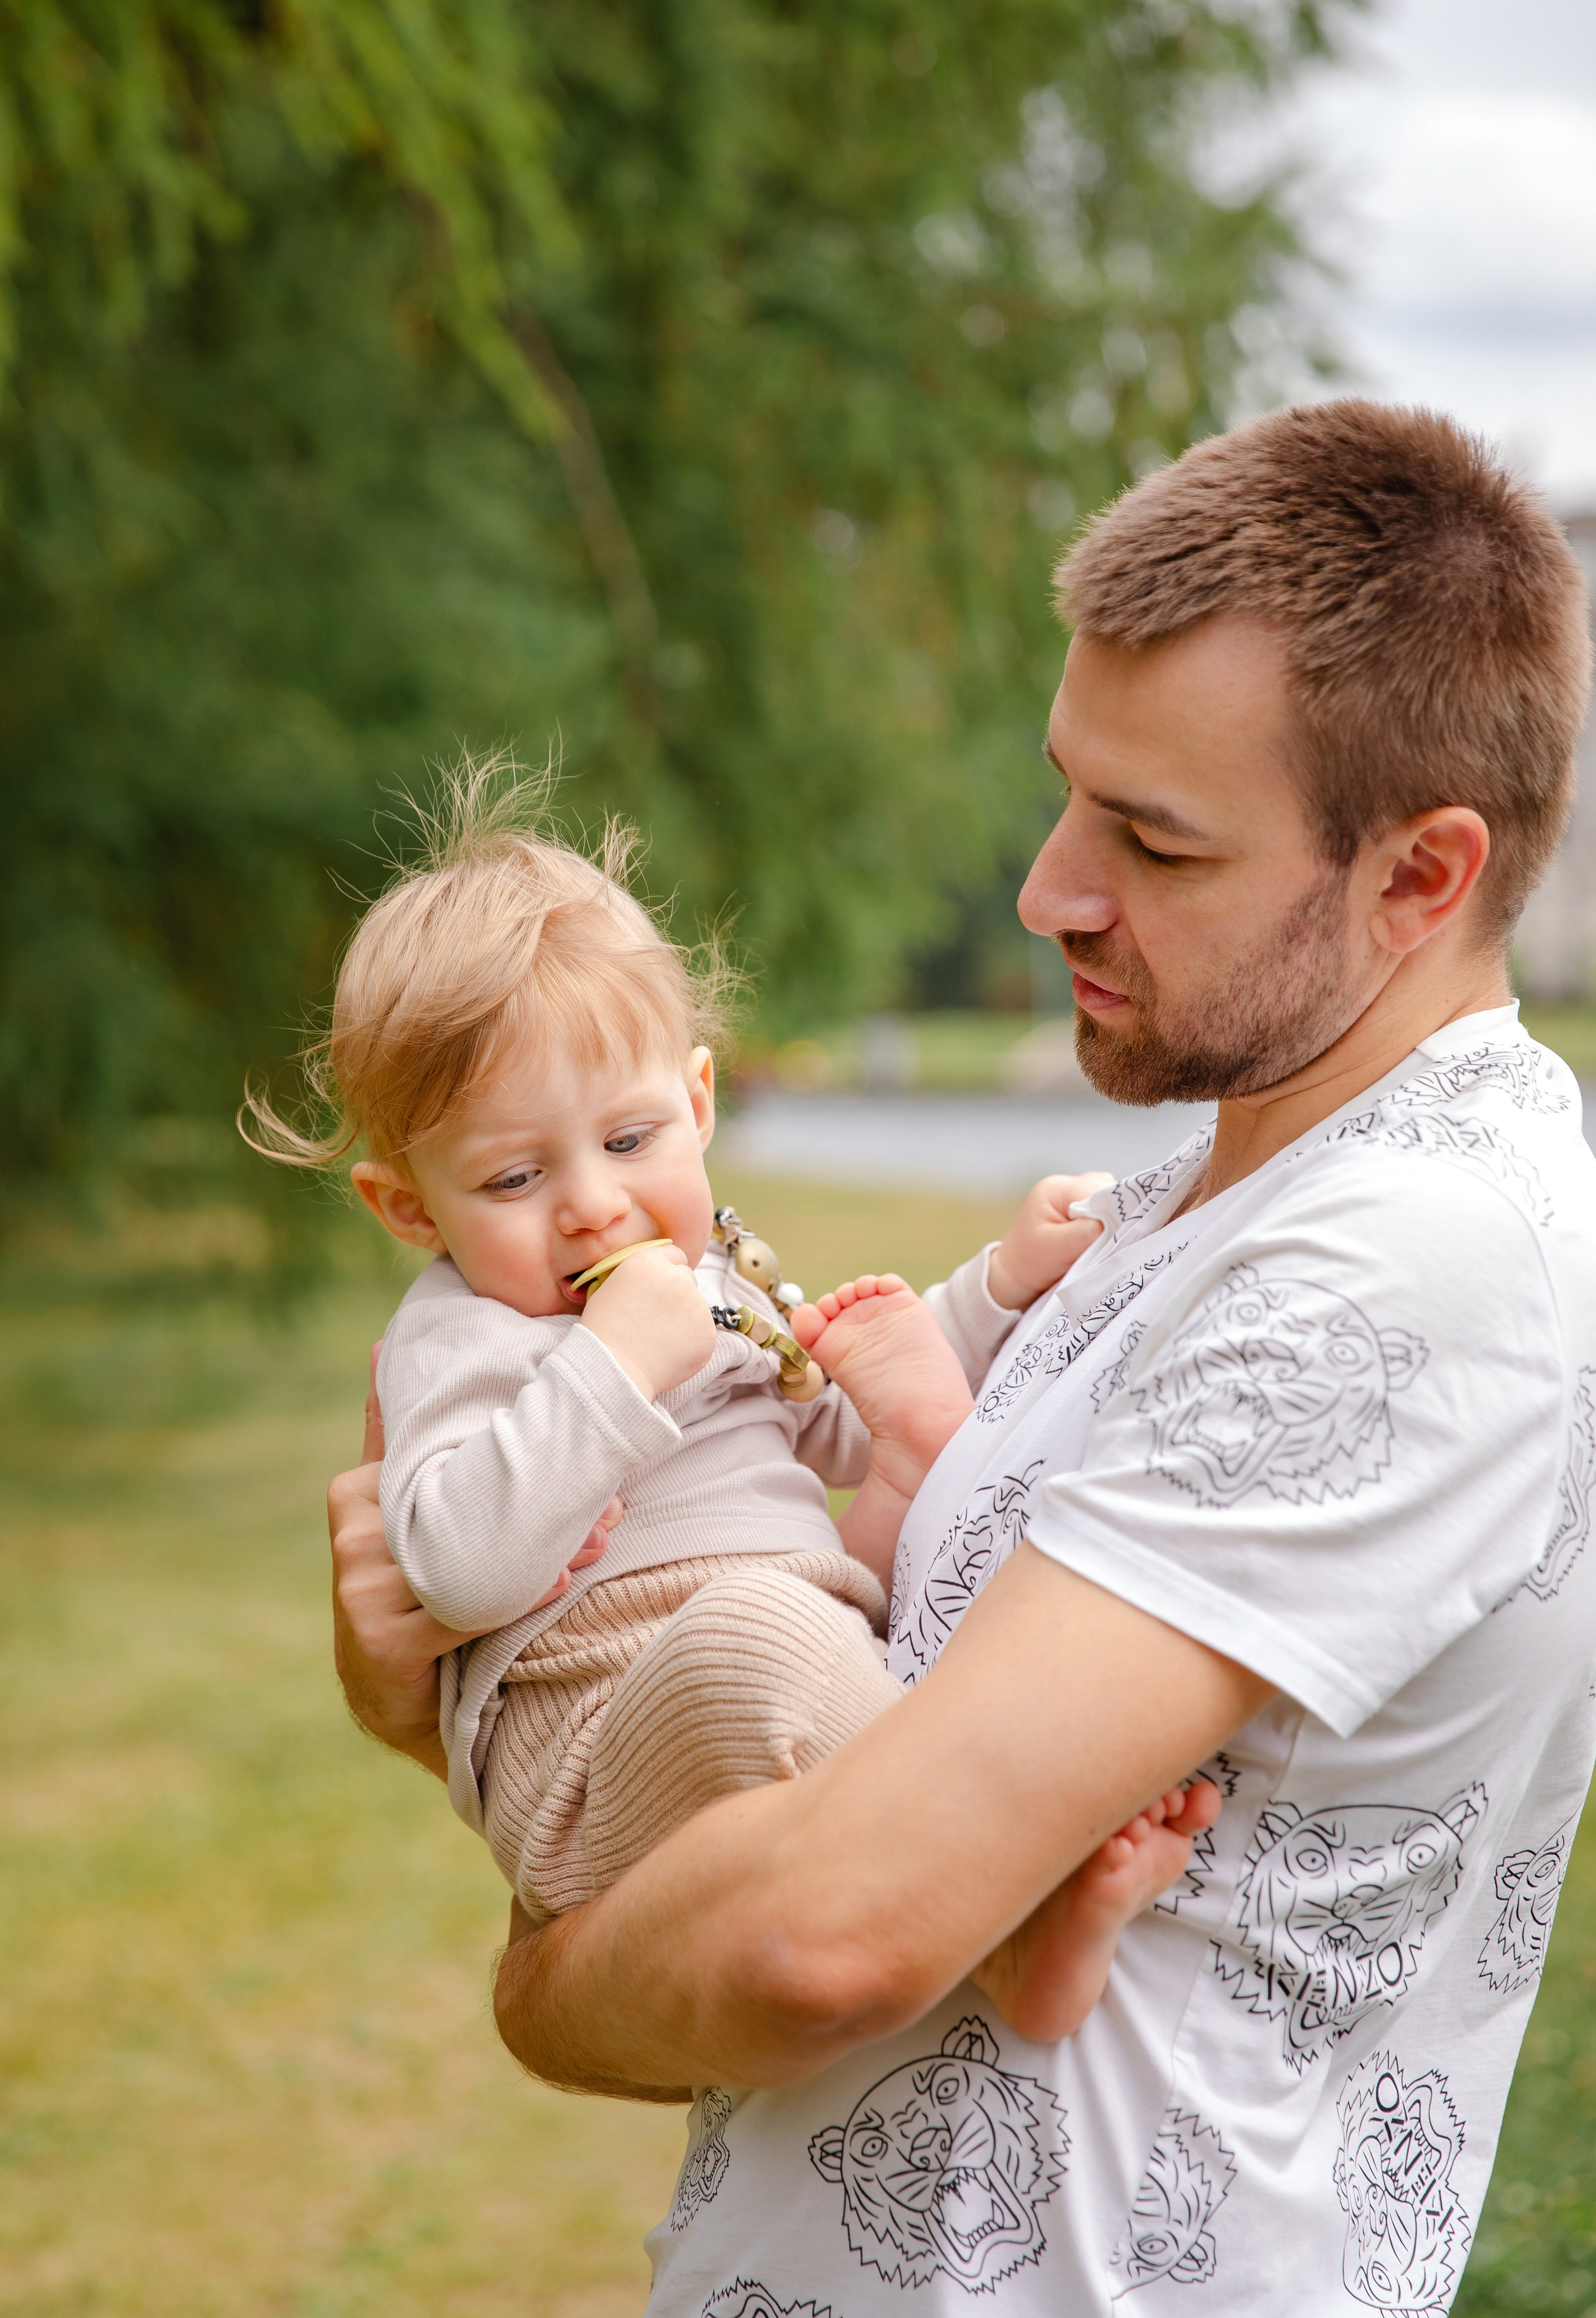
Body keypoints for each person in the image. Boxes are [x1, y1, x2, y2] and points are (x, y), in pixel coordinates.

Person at [329, 400, 1596, 2313]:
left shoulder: (1409, 1258)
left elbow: (824, 1937)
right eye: (1070, 790)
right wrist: (418, 1669)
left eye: (1153, 839)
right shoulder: (1196, 1195)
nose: (1047, 888)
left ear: (1420, 879)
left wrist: (549, 1977)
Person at [260, 775, 1205, 2002]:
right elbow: (458, 1568)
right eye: (512, 1180)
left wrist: (996, 1288)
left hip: (797, 1664)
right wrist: (616, 1364)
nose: (593, 1205)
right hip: (590, 1751)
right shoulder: (462, 1335)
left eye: (628, 1140)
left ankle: (1018, 1883)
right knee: (762, 1635)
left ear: (697, 1104)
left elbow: (837, 1417)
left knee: (927, 1584)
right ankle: (1009, 1925)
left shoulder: (708, 1284)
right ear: (409, 1208)